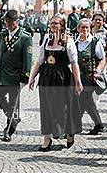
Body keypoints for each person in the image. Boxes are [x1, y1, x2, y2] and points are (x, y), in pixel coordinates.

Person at [28, 15, 83, 151]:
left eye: (56, 23)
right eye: (51, 23)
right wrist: (32, 77)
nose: (53, 25)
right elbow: (40, 60)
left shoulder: (68, 41)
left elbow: (74, 64)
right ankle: (47, 139)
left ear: (62, 25)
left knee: (63, 108)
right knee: (46, 108)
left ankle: (69, 133)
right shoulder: (47, 38)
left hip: (62, 78)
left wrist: (78, 82)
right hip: (46, 76)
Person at [0, 9, 33, 142]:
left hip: (15, 76)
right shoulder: (3, 35)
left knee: (14, 104)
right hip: (1, 74)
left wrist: (24, 78)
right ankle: (14, 117)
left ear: (16, 21)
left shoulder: (25, 37)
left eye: (10, 22)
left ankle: (9, 129)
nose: (7, 24)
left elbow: (28, 60)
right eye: (6, 21)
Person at [72, 18, 106, 138]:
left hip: (90, 79)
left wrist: (97, 71)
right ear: (78, 29)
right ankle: (99, 125)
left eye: (87, 27)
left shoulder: (95, 42)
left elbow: (102, 59)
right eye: (82, 27)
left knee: (80, 102)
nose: (85, 30)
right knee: (88, 103)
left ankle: (73, 128)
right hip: (77, 78)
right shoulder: (74, 43)